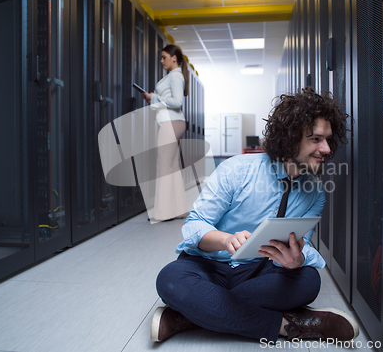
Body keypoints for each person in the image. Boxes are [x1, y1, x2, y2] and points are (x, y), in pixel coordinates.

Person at [151, 87, 358, 344]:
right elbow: (195, 225)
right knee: (171, 280)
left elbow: (302, 244)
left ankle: (190, 315)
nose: (326, 148)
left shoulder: (316, 193)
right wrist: (226, 240)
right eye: (316, 139)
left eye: (328, 139)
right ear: (291, 137)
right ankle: (288, 325)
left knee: (308, 280)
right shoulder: (236, 170)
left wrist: (295, 260)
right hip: (210, 266)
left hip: (261, 271)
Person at [142, 44, 189, 222]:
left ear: (174, 57)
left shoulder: (175, 76)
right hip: (174, 122)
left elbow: (177, 102)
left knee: (163, 166)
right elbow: (169, 101)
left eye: (164, 57)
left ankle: (163, 213)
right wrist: (152, 99)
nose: (162, 61)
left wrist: (154, 96)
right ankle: (179, 209)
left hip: (170, 123)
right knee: (172, 166)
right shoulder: (173, 76)